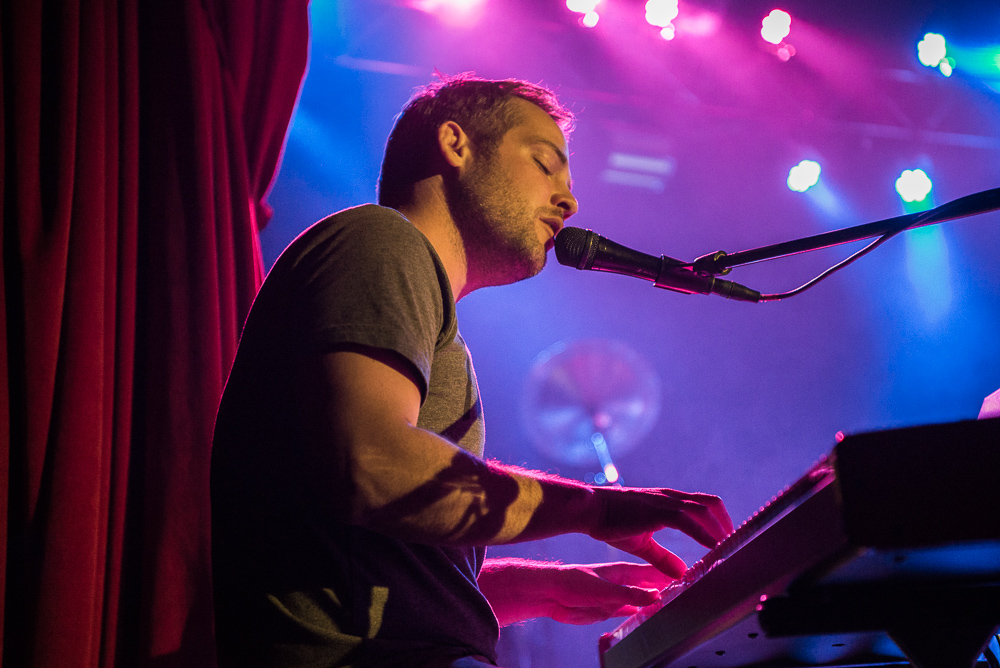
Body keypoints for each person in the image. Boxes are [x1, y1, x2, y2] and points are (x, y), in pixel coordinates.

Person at [210, 73, 733, 668]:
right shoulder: (382, 241)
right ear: (456, 145)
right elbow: (373, 466)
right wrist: (598, 508)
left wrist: (543, 586)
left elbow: (373, 567)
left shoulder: (420, 300)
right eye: (544, 163)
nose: (571, 201)